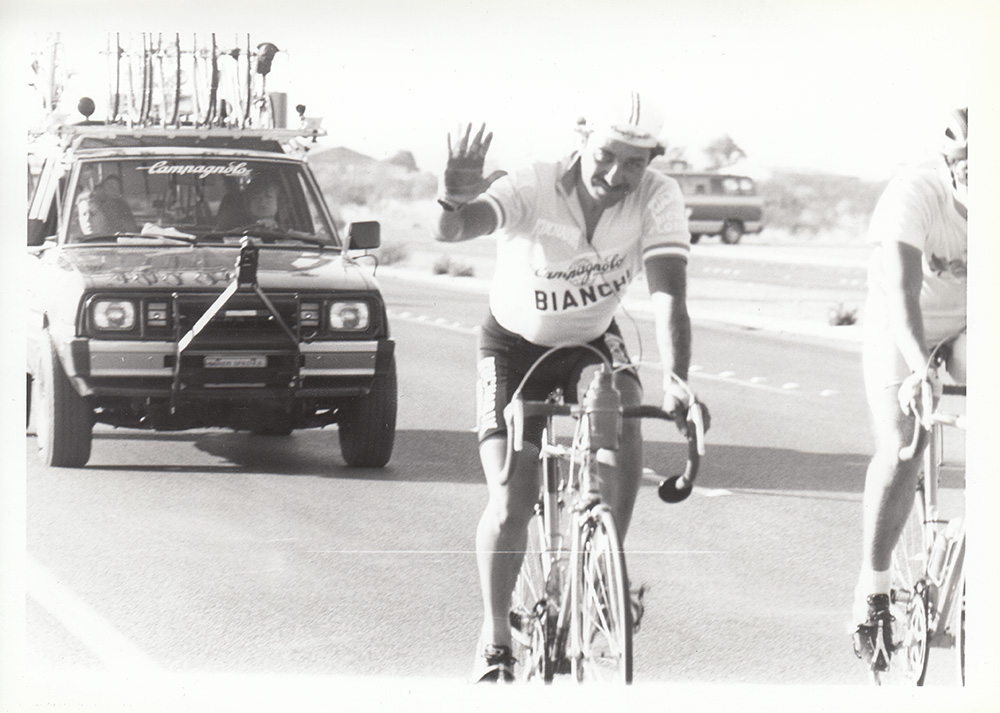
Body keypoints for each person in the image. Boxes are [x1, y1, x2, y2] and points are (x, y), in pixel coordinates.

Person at [433, 91, 707, 682]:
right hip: (513, 346)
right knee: (511, 498)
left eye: (636, 161)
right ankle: (495, 635)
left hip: (589, 343)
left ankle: (604, 569)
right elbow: (457, 229)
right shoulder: (533, 184)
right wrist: (455, 195)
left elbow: (669, 296)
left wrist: (679, 379)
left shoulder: (658, 197)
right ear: (583, 138)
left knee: (627, 405)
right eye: (608, 154)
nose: (618, 174)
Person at [852, 108, 968, 671]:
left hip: (970, 325)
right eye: (968, 167)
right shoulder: (915, 191)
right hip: (902, 322)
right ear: (951, 164)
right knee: (905, 443)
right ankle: (873, 589)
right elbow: (901, 292)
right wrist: (921, 371)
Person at [216, 175, 281, 229]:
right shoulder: (233, 230)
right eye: (256, 197)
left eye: (268, 197)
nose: (262, 202)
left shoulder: (288, 230)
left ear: (278, 201)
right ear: (248, 203)